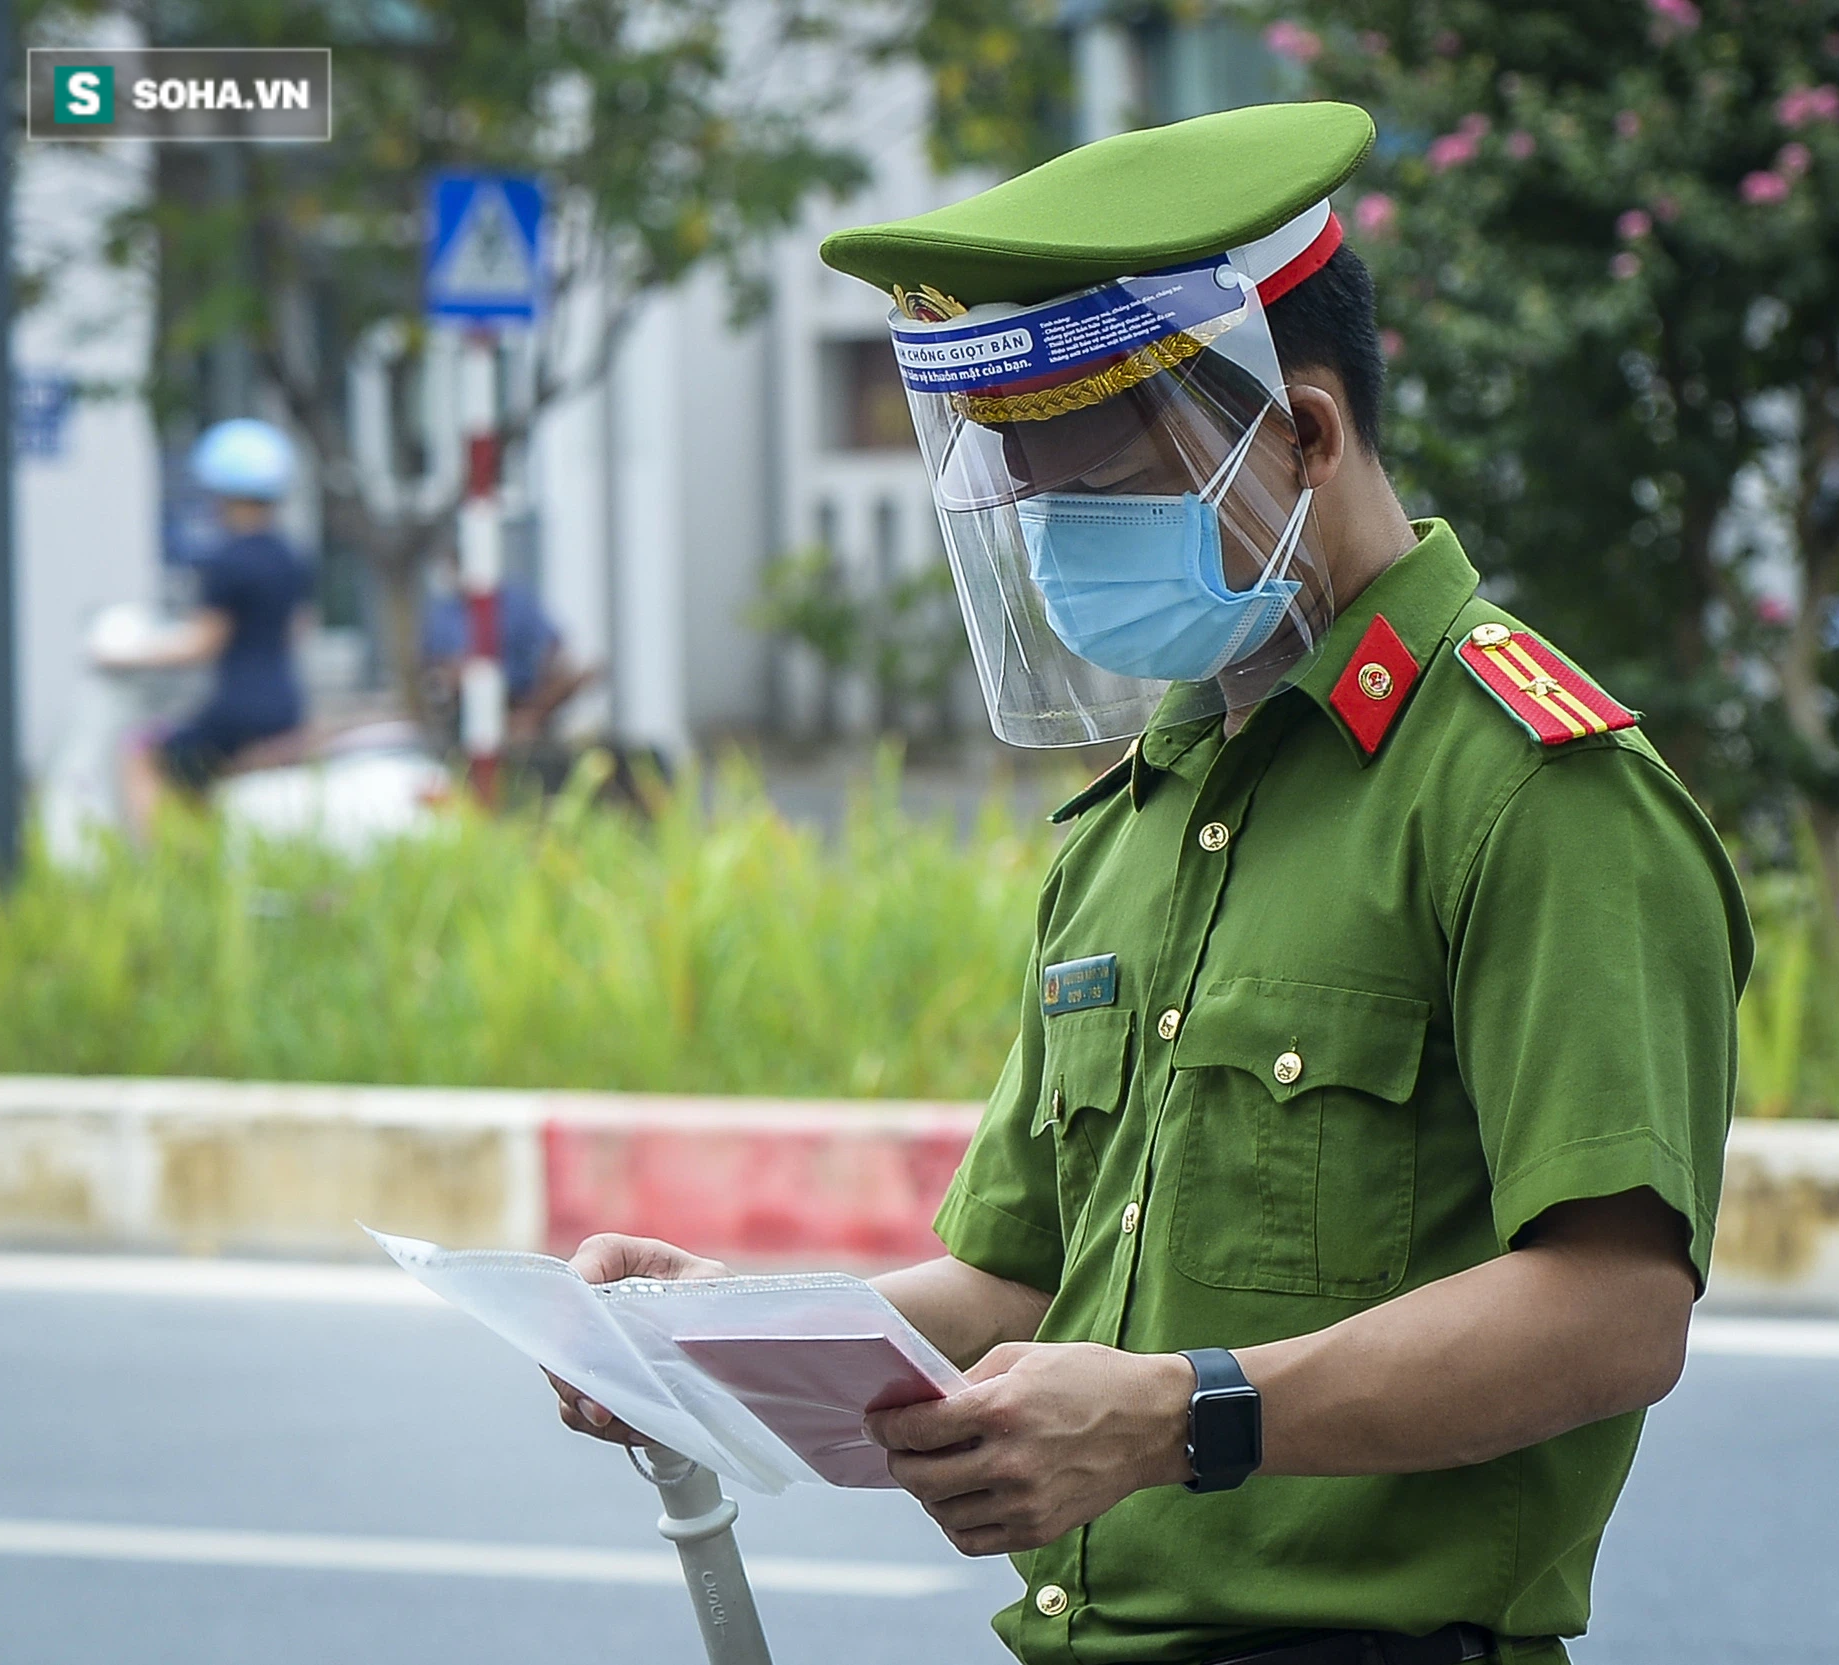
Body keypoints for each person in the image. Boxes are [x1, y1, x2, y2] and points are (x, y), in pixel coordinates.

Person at [547, 102, 1752, 1665]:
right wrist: (723, 1338)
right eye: (1037, 500)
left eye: (1106, 489)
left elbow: (1612, 1310)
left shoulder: (1531, 792)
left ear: (1305, 434)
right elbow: (1019, 1274)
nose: (1065, 543)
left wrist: (1187, 1419)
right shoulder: (1141, 815)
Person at [104, 419, 315, 838]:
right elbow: (298, 630)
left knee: (142, 751)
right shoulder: (292, 557)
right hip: (287, 705)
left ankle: (155, 862)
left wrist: (126, 654)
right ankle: (205, 855)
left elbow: (204, 643)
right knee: (203, 778)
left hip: (236, 710)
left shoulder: (228, 560)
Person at [418, 552, 594, 743]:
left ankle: (526, 724)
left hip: (524, 698)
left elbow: (554, 645)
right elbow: (434, 663)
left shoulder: (516, 602)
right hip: (468, 703)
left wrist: (534, 708)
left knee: (578, 670)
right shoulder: (444, 612)